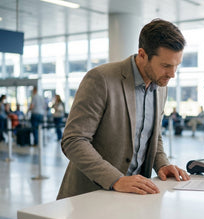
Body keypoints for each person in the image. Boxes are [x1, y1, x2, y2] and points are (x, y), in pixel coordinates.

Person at [57, 19, 190, 200]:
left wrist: (162, 164)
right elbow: (74, 140)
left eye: (176, 65)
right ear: (142, 55)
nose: (172, 74)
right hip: (91, 195)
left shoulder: (161, 87)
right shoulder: (101, 79)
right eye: (166, 66)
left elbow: (154, 135)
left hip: (133, 196)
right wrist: (116, 179)